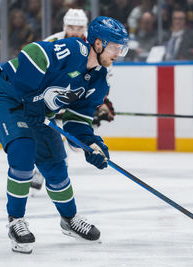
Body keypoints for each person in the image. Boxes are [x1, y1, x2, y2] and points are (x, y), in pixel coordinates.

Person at [0, 16, 129, 254]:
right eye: (115, 47)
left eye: (122, 48)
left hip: (38, 111)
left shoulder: (99, 82)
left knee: (56, 164)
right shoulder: (74, 49)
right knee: (23, 150)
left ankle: (69, 220)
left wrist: (91, 144)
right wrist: (30, 96)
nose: (119, 54)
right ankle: (15, 221)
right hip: (8, 98)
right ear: (99, 43)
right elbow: (33, 53)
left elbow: (77, 121)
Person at [29, 8, 116, 193]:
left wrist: (101, 105)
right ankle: (46, 172)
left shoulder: (97, 47)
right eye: (71, 26)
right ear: (64, 26)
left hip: (76, 99)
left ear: (85, 28)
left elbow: (102, 80)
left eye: (79, 27)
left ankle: (51, 172)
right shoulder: (52, 42)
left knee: (75, 141)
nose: (75, 31)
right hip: (50, 98)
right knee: (46, 137)